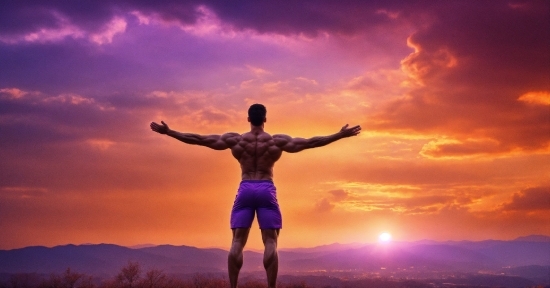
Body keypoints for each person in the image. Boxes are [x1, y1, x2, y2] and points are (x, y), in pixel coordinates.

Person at [150, 104, 361, 288]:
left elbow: (200, 139)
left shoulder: (236, 140)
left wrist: (169, 132)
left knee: (237, 242)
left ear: (248, 119)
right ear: (266, 119)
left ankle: (233, 286)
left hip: (245, 188)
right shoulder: (276, 142)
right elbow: (310, 142)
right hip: (266, 189)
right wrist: (339, 135)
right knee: (270, 242)